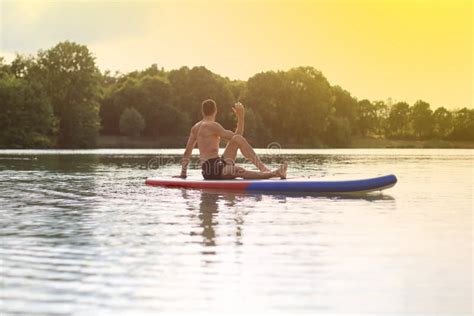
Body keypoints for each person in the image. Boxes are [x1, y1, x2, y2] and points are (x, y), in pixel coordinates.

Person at [175, 99, 287, 180]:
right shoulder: (213, 126)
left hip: (217, 164)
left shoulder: (195, 128)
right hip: (212, 170)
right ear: (215, 111)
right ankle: (273, 174)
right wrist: (241, 117)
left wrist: (183, 173)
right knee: (238, 170)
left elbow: (187, 152)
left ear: (202, 112)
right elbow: (238, 134)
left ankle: (264, 169)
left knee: (237, 139)